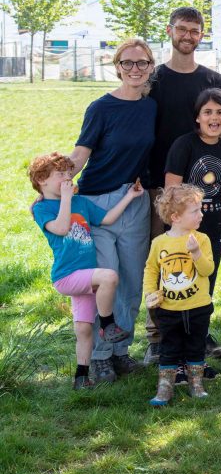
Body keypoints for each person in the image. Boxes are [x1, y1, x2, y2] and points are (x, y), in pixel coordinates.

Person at [143, 7, 221, 367]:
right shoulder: (155, 80)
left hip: (207, 194)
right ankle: (159, 335)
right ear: (170, 31)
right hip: (162, 187)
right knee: (166, 259)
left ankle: (198, 327)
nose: (188, 35)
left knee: (201, 260)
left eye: (195, 30)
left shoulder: (212, 78)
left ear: (201, 34)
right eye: (182, 29)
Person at [69, 38, 157, 383]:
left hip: (134, 200)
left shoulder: (150, 107)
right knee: (107, 279)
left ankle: (121, 351)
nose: (135, 69)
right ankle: (100, 356)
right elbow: (81, 153)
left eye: (142, 63)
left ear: (151, 67)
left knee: (133, 280)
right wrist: (57, 183)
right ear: (117, 66)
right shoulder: (100, 108)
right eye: (128, 62)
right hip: (97, 201)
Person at [29, 153, 143, 390]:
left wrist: (130, 197)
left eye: (70, 173)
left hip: (87, 277)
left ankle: (81, 376)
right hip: (67, 276)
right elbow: (61, 228)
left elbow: (108, 219)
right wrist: (68, 199)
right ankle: (108, 325)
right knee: (109, 276)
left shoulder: (81, 203)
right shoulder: (42, 209)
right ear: (42, 179)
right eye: (60, 174)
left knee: (82, 328)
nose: (68, 178)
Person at [165, 88, 221, 362]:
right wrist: (177, 230)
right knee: (182, 283)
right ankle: (175, 343)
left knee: (207, 283)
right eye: (207, 112)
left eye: (220, 112)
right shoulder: (184, 145)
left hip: (213, 228)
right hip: (183, 230)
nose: (214, 117)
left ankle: (200, 337)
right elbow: (171, 191)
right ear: (197, 117)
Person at [143, 184, 215, 406]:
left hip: (198, 307)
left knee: (196, 345)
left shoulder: (201, 240)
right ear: (175, 217)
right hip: (168, 309)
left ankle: (196, 384)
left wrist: (196, 254)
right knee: (169, 348)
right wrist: (149, 293)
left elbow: (207, 270)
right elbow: (151, 269)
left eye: (200, 209)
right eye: (195, 211)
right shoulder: (159, 243)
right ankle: (165, 388)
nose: (201, 214)